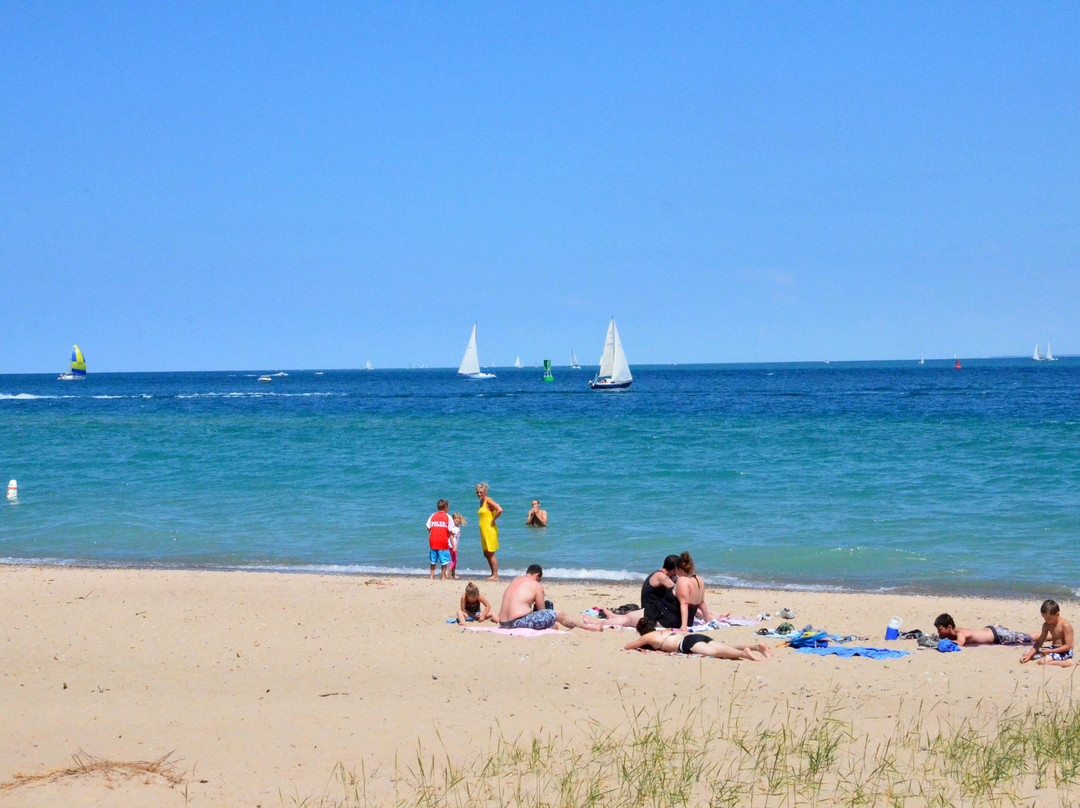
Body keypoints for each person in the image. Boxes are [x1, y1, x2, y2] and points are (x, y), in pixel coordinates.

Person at [497, 564, 600, 631]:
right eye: (539, 579)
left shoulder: (516, 579)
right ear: (537, 575)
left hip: (503, 623)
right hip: (516, 623)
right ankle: (588, 628)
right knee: (559, 614)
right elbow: (542, 611)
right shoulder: (536, 585)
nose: (539, 582)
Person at [624, 617, 772, 661]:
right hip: (694, 637)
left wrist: (642, 641)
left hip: (686, 644)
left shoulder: (647, 637)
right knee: (722, 646)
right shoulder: (662, 632)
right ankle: (756, 647)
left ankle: (743, 654)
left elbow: (628, 646)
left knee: (715, 653)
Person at [1021, 599, 1075, 667]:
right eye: (1044, 618)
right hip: (1052, 648)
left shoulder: (1065, 626)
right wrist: (1029, 655)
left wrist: (1050, 651)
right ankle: (1050, 657)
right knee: (1026, 653)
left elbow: (1068, 646)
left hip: (1064, 651)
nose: (1046, 621)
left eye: (1049, 619)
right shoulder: (1047, 625)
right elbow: (1039, 642)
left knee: (1042, 662)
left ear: (1057, 614)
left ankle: (1068, 663)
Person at [672, 551, 715, 631]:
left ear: (680, 570)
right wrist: (708, 618)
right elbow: (701, 602)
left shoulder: (682, 580)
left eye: (676, 569)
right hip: (690, 620)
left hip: (676, 620)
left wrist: (684, 626)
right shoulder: (699, 579)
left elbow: (684, 604)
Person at [934, 613, 1033, 646]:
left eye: (940, 629)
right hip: (991, 630)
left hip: (998, 635)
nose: (938, 632)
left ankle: (1043, 635)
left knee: (1028, 637)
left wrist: (942, 642)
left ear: (949, 627)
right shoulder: (953, 632)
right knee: (1022, 635)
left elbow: (960, 643)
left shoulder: (960, 633)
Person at [475, 482, 503, 580]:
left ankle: (495, 575)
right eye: (477, 492)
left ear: (485, 492)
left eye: (481, 492)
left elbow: (499, 509)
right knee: (486, 553)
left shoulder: (488, 501)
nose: (479, 494)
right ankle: (492, 574)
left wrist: (493, 520)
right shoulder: (481, 502)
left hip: (489, 530)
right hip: (484, 531)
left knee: (490, 552)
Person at [426, 499, 454, 580]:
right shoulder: (448, 517)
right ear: (446, 507)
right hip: (443, 540)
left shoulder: (433, 515)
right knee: (444, 560)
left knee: (433, 559)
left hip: (433, 540)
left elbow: (428, 528)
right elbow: (450, 530)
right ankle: (443, 576)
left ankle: (431, 575)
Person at [448, 513, 465, 579]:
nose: (456, 520)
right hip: (451, 546)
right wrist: (454, 546)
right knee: (454, 559)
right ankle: (448, 573)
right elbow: (451, 536)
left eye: (457, 518)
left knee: (455, 559)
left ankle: (453, 574)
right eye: (454, 518)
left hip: (454, 546)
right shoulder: (453, 527)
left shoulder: (457, 527)